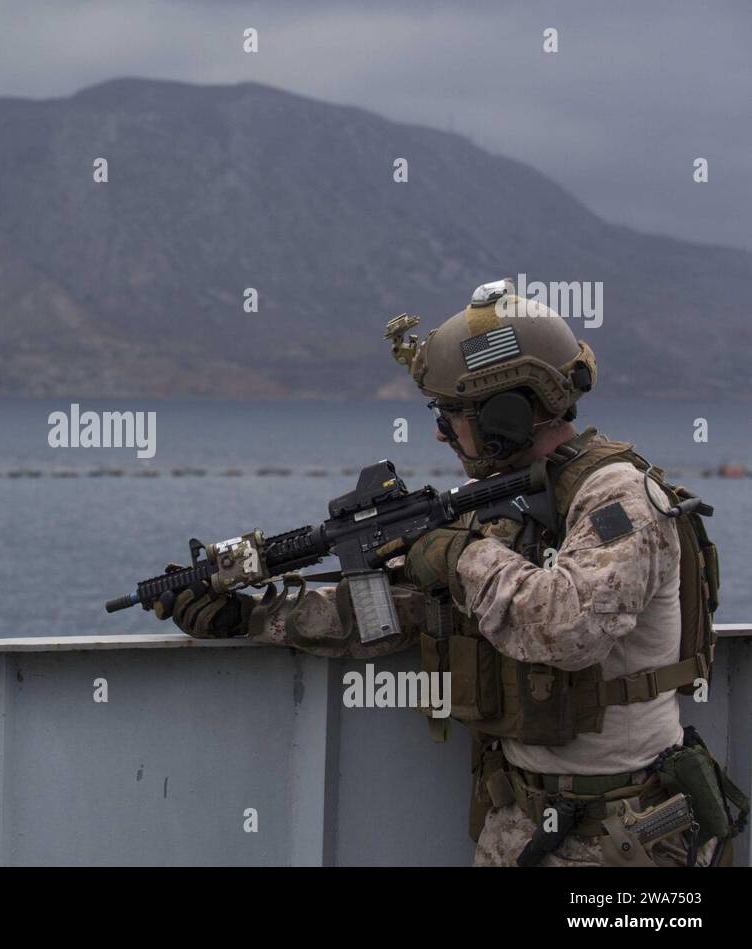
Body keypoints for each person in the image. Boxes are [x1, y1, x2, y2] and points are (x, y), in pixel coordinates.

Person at [151, 279, 740, 866]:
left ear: (504, 415)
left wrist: (455, 555)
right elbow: (399, 608)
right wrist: (254, 616)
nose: (440, 431)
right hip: (526, 826)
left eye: (451, 413)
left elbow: (568, 629)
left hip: (628, 832)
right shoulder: (499, 504)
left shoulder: (620, 499)